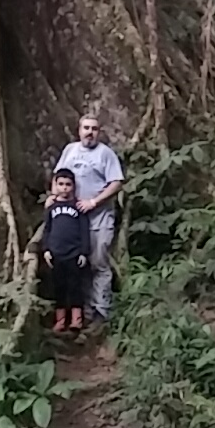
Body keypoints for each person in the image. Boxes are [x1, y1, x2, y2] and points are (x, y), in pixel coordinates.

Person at [52, 115, 124, 325]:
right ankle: (82, 313)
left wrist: (94, 202)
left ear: (99, 132)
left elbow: (116, 182)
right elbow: (58, 176)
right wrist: (55, 199)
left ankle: (100, 312)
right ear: (79, 130)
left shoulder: (106, 154)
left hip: (99, 218)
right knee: (78, 265)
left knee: (98, 262)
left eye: (94, 128)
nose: (89, 132)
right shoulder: (70, 150)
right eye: (86, 128)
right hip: (73, 221)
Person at [42, 167, 90, 332]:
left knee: (75, 286)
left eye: (68, 184)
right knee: (59, 287)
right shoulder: (52, 207)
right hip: (56, 254)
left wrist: (84, 251)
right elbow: (47, 228)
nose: (64, 188)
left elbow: (85, 230)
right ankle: (60, 320)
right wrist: (46, 249)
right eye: (61, 184)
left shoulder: (78, 206)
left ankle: (76, 319)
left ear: (73, 186)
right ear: (55, 185)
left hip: (74, 253)